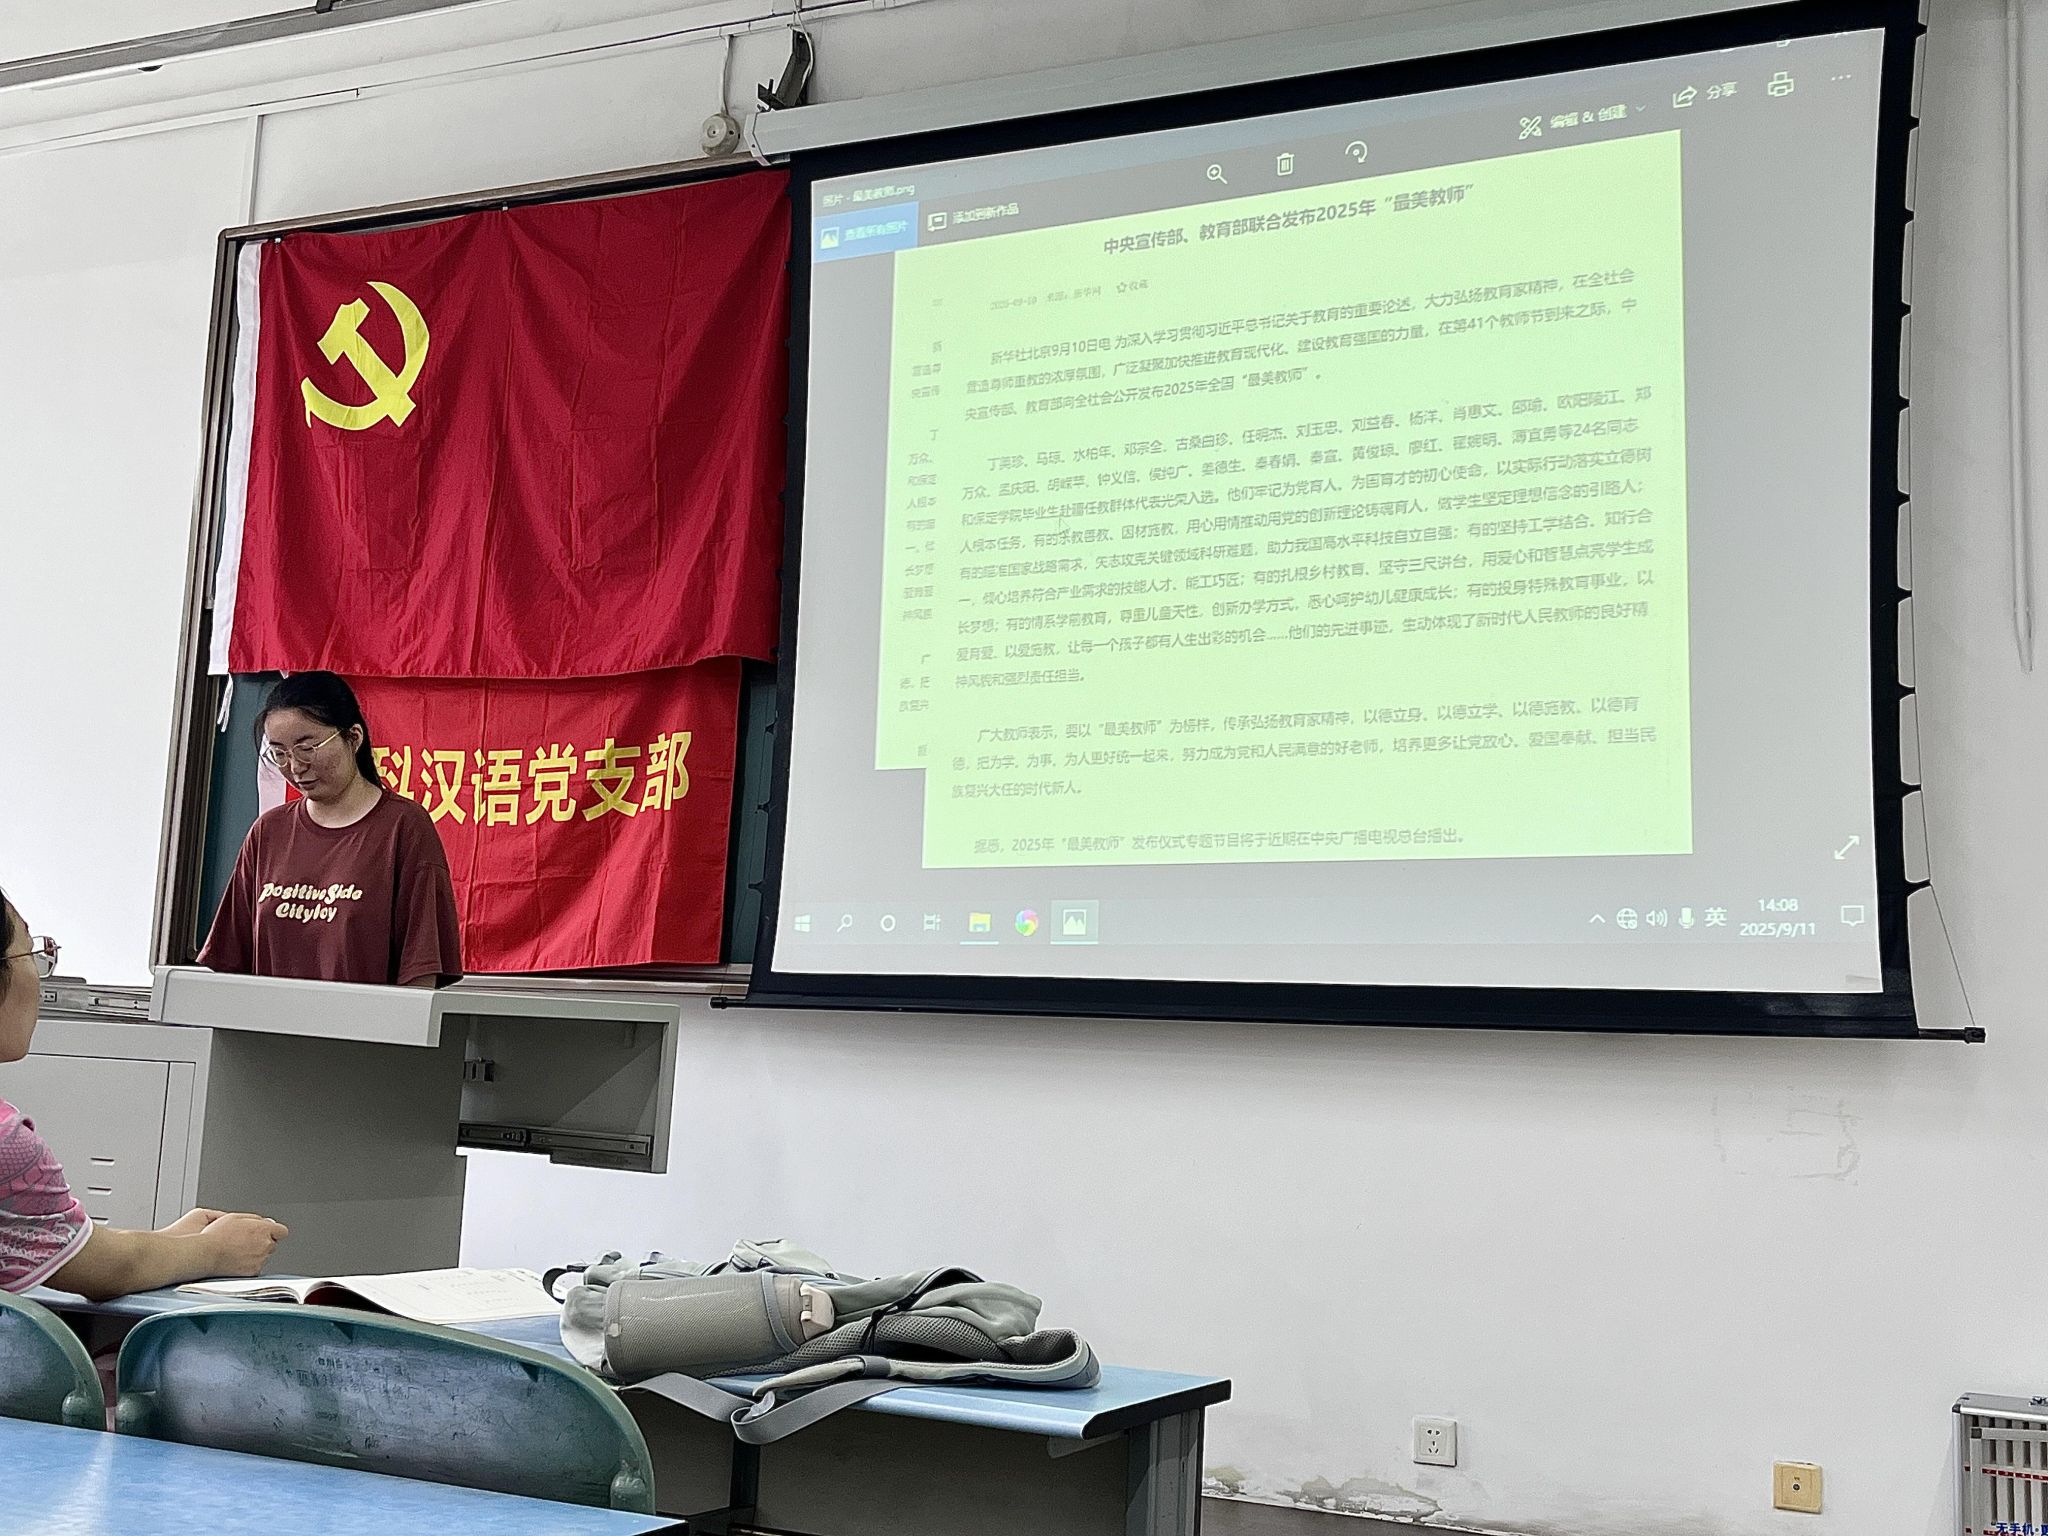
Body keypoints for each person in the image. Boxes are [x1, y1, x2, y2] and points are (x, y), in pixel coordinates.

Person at [0, 889, 286, 1300]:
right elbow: (104, 1269)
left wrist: (176, 1241)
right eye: (30, 953)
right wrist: (216, 1251)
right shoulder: (7, 1145)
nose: (39, 980)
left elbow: (78, 1247)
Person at [200, 671, 462, 989]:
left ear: (353, 737)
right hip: (271, 1021)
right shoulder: (268, 832)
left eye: (307, 748)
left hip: (365, 1021)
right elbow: (229, 964)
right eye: (280, 753)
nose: (295, 767)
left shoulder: (404, 827)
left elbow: (420, 970)